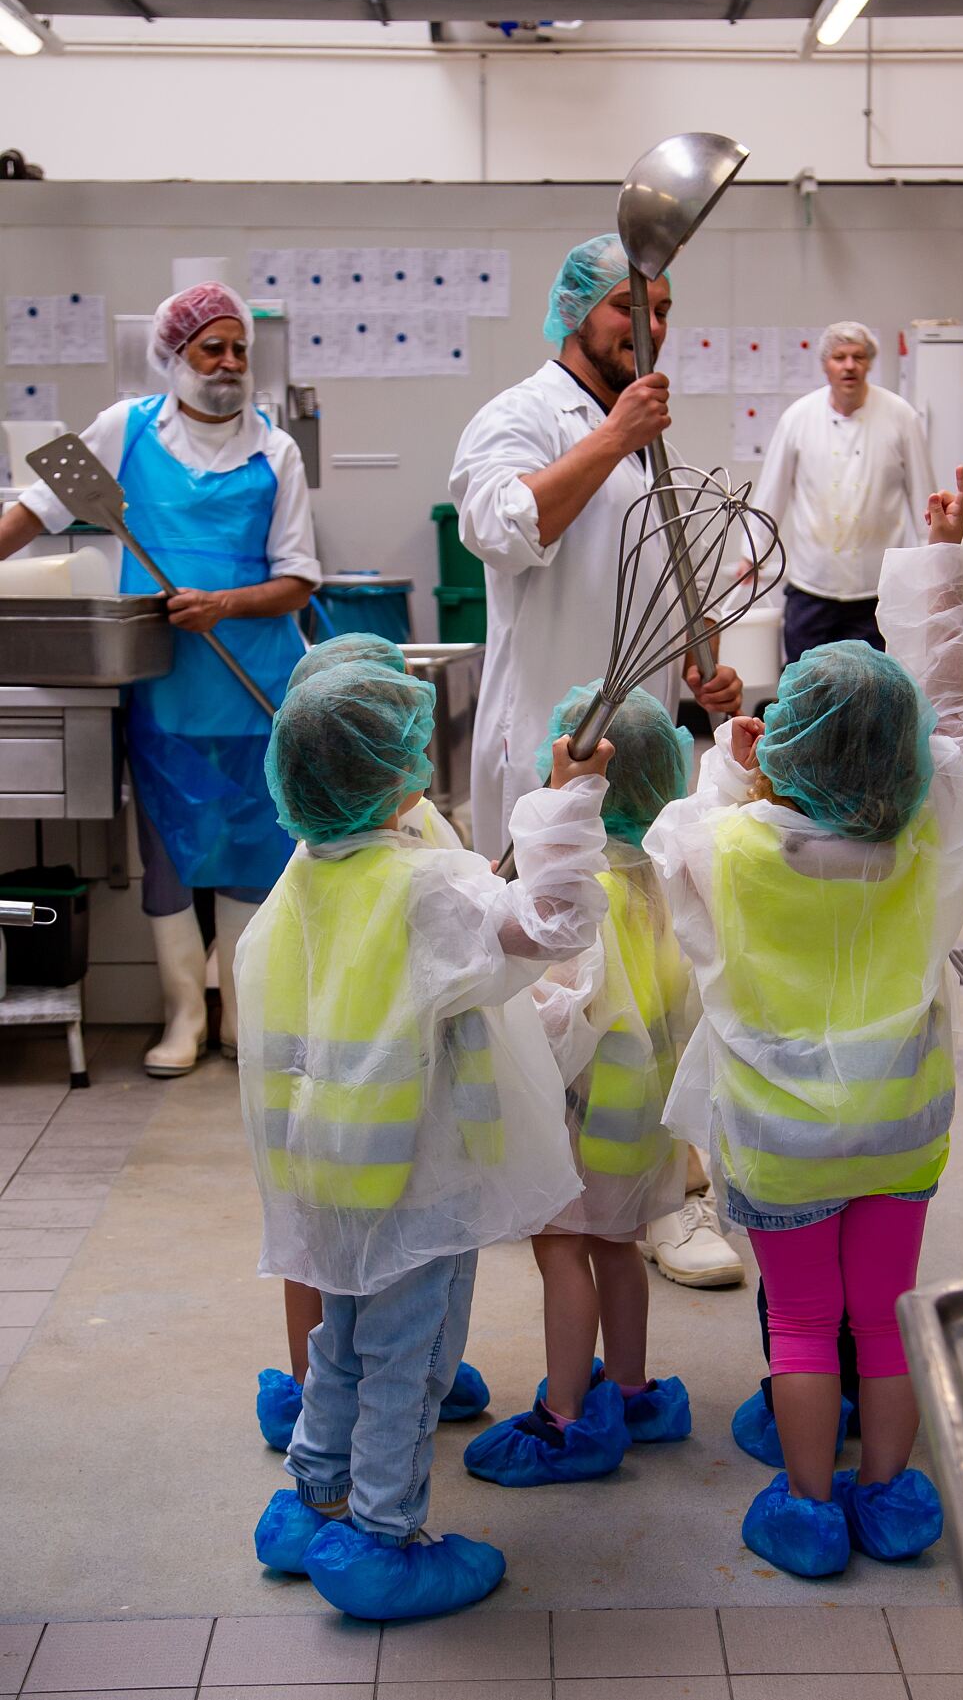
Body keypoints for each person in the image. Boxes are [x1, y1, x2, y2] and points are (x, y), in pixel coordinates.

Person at [645, 468, 963, 1578]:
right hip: (902, 1123)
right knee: (884, 1312)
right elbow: (955, 716)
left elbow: (680, 829)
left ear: (778, 743)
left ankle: (806, 1510)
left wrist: (727, 762)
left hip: (783, 1137)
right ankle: (890, 1497)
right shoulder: (924, 844)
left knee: (801, 1326)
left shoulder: (722, 849)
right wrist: (939, 565)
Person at [242, 653, 613, 1619]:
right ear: (395, 776)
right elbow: (557, 920)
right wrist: (567, 806)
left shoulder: (298, 882)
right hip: (420, 1179)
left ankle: (310, 1495)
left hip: (326, 1170)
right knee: (409, 1359)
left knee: (341, 1340)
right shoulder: (427, 890)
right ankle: (380, 1535)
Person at [451, 232, 745, 1289]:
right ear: (575, 309)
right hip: (548, 755)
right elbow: (502, 528)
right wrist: (615, 438)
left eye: (662, 306)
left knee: (647, 988)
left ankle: (650, 1196)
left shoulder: (647, 433)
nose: (649, 325)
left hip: (641, 761)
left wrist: (704, 668)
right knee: (549, 991)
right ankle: (549, 1196)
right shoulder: (519, 415)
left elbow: (659, 577)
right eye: (629, 304)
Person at [0, 281, 319, 1077]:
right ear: (174, 357)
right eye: (212, 347)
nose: (230, 363)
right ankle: (183, 1013)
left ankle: (243, 1014)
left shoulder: (275, 450)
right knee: (170, 849)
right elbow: (35, 511)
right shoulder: (126, 432)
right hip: (165, 684)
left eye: (240, 348)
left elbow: (299, 579)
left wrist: (225, 604)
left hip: (256, 682)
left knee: (254, 846)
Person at [252, 634, 489, 1456]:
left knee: (333, 1291)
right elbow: (494, 955)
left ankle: (319, 1439)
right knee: (382, 1314)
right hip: (395, 1133)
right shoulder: (403, 856)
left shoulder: (315, 847)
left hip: (314, 1129)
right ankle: (377, 1496)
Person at [464, 684, 696, 1487]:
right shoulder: (663, 877)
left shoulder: (576, 885)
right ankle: (629, 1388)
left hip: (575, 1108)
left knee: (562, 1249)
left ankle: (566, 1415)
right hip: (637, 1113)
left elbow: (556, 1008)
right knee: (620, 1242)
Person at [744, 321, 935, 657]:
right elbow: (771, 492)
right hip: (811, 586)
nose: (849, 365)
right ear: (825, 364)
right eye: (840, 357)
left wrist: (936, 564)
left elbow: (924, 497)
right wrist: (752, 552)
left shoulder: (900, 417)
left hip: (876, 591)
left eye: (858, 357)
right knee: (806, 687)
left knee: (873, 692)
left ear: (870, 363)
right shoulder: (798, 418)